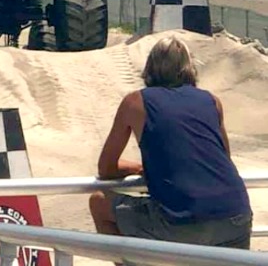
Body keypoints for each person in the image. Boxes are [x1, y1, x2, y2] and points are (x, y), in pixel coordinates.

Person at [89, 36, 252, 263]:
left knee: (98, 202)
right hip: (236, 215)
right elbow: (223, 157)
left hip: (181, 223)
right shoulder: (212, 101)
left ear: (150, 67)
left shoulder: (135, 103)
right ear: (189, 68)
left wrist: (138, 168)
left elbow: (106, 168)